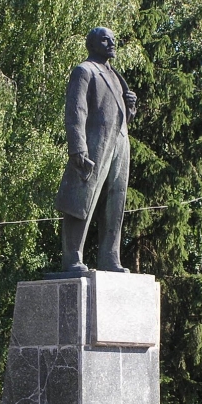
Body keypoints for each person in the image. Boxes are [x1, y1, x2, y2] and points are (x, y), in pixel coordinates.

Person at [54, 27, 137, 273]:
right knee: (81, 200)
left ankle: (110, 258)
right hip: (93, 144)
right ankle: (72, 258)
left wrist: (130, 108)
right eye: (105, 39)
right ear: (92, 44)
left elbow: (118, 117)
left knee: (115, 202)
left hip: (120, 143)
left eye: (113, 39)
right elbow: (76, 111)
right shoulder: (85, 71)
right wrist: (78, 147)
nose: (112, 43)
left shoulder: (115, 76)